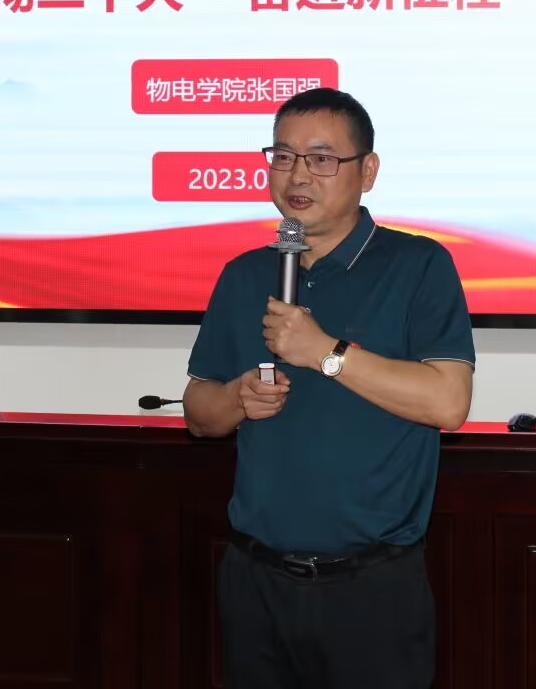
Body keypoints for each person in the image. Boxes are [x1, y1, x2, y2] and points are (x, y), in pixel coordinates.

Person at [182, 87, 475, 689]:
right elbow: (197, 412)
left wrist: (325, 353)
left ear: (367, 171)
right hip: (255, 581)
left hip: (372, 591)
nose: (298, 175)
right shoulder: (244, 274)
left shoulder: (419, 265)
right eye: (283, 156)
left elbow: (448, 403)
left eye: (321, 158)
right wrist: (237, 398)